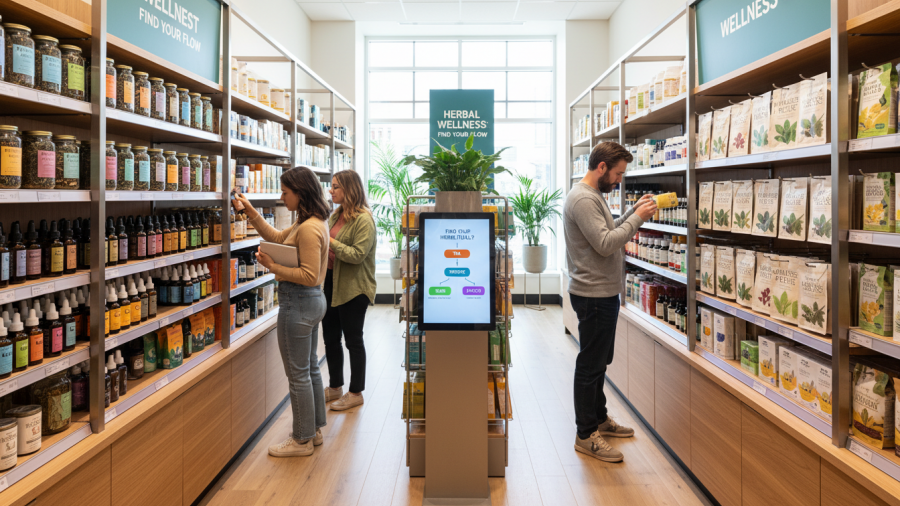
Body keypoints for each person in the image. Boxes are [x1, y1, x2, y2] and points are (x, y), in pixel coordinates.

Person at [564, 142, 656, 463]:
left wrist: (633, 212)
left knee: (600, 361)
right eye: (617, 174)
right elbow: (605, 244)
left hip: (602, 292)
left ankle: (599, 419)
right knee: (590, 365)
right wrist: (639, 220)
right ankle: (586, 434)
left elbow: (609, 230)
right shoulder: (583, 199)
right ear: (601, 167)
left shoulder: (593, 196)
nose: (619, 180)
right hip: (593, 295)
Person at [233, 166, 331, 458]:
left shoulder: (310, 228)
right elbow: (275, 236)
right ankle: (312, 431)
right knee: (310, 368)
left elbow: (310, 275)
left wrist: (273, 268)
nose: (282, 197)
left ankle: (300, 440)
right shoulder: (308, 222)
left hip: (299, 302)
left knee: (298, 375)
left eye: (285, 192)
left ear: (300, 193)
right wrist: (250, 210)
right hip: (310, 303)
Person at [322, 170, 377, 411]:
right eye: (331, 186)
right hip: (331, 282)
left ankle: (356, 392)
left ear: (349, 189)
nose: (331, 191)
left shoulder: (364, 220)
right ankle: (335, 387)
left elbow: (357, 255)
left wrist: (329, 241)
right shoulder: (336, 215)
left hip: (354, 287)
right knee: (330, 338)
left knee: (353, 340)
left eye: (335, 187)